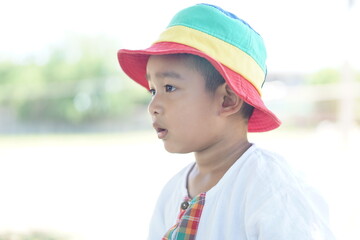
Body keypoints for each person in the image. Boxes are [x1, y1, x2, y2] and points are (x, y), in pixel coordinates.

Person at [117, 3, 335, 240]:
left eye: (169, 88)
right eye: (152, 91)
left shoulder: (271, 187)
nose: (153, 106)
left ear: (227, 100)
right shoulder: (171, 193)